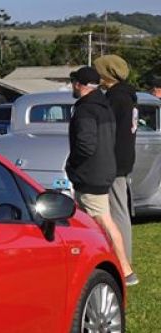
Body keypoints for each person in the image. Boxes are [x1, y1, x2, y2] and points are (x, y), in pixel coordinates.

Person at [66, 66, 137, 286]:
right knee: (93, 221)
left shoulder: (86, 110)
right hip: (105, 169)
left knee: (103, 221)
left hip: (91, 174)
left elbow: (85, 145)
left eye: (74, 83)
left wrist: (72, 164)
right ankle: (96, 262)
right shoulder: (104, 105)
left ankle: (125, 270)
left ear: (80, 85)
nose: (72, 87)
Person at [95, 55, 138, 267]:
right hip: (123, 157)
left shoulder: (116, 98)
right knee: (116, 209)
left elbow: (107, 129)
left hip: (115, 159)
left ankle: (124, 261)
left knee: (118, 211)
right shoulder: (126, 96)